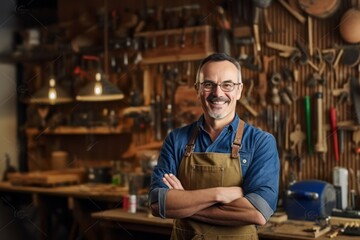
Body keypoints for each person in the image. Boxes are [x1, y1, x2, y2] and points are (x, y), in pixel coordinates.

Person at [149, 53, 280, 239]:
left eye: (227, 85)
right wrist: (219, 194)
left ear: (239, 90)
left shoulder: (261, 142)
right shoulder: (176, 139)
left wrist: (184, 203)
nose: (218, 93)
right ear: (197, 89)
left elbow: (258, 212)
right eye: (209, 84)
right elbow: (157, 203)